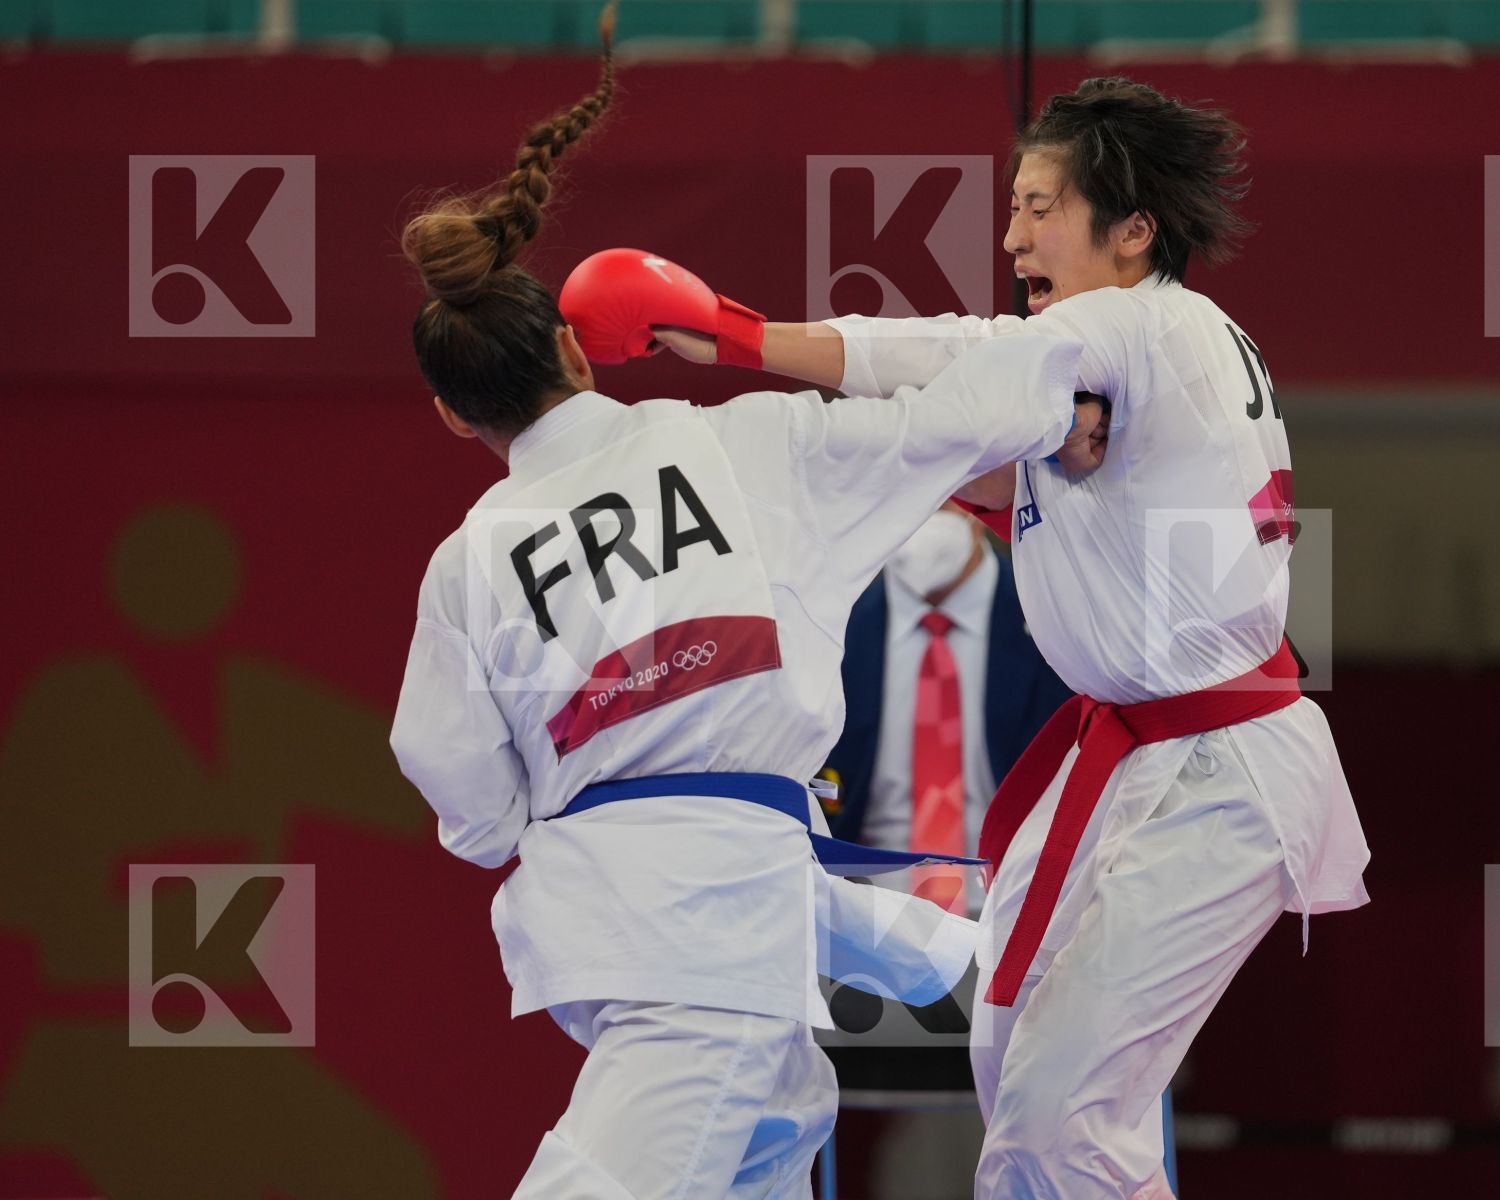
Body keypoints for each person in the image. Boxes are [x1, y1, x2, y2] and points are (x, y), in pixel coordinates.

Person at [385, 14, 1100, 1196]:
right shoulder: (750, 449)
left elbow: (454, 786)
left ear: (457, 417)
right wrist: (1057, 394)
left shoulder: (469, 561)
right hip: (707, 937)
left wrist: (566, 806)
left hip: (617, 918)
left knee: (773, 1134)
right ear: (579, 348)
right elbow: (960, 408)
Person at [650, 76, 1371, 1198]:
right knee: (1011, 1059)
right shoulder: (1144, 342)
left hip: (1212, 772)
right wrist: (746, 340)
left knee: (1055, 1108)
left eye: (1041, 207)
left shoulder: (1127, 323)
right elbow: (971, 362)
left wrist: (741, 343)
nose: (1013, 234)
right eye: (1014, 205)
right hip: (1141, 754)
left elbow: (954, 368)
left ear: (1131, 230)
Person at [826, 501, 1071, 919]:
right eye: (909, 497)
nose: (924, 517)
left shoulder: (1057, 627)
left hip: (1015, 904)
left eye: (944, 501)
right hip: (864, 912)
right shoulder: (832, 629)